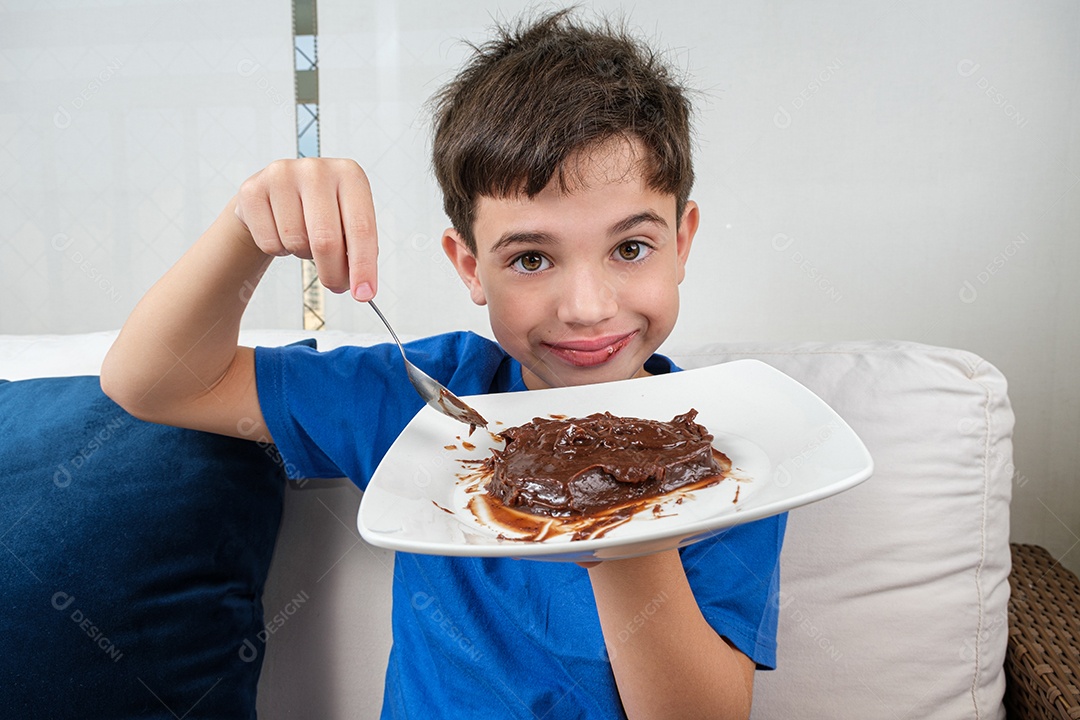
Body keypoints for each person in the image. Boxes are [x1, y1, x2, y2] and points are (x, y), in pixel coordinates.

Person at [102, 9, 786, 719]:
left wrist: (617, 508)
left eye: (630, 248)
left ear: (683, 241)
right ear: (469, 267)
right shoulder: (423, 403)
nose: (586, 306)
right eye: (531, 258)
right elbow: (150, 381)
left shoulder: (724, 457)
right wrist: (247, 232)